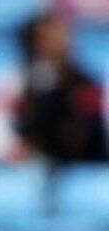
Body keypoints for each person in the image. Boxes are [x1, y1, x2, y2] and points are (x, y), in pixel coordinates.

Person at [11, 13, 109, 166]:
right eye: (51, 36)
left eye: (62, 34)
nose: (62, 40)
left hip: (82, 164)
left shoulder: (83, 80)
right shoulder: (17, 81)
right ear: (35, 42)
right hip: (36, 164)